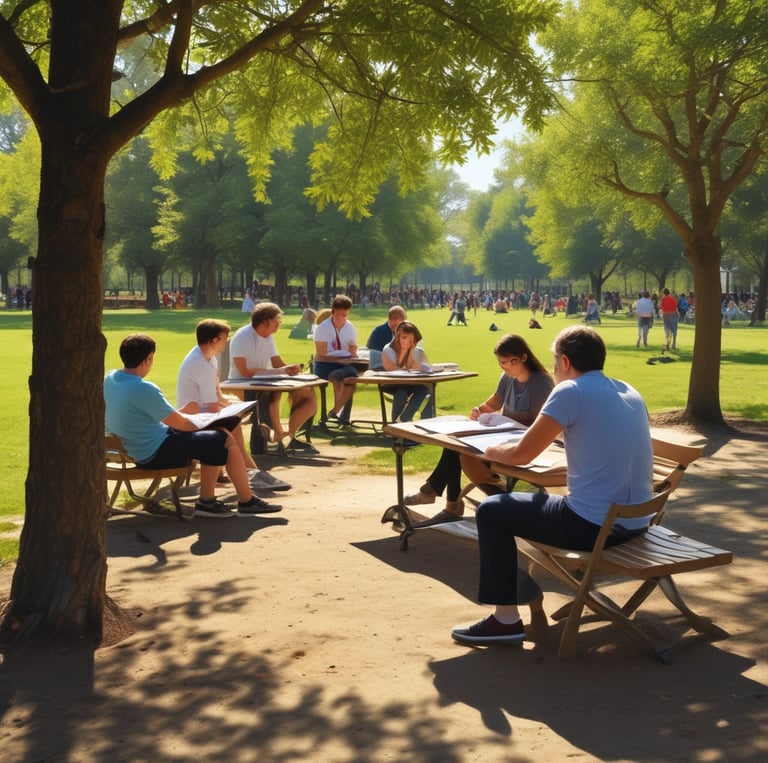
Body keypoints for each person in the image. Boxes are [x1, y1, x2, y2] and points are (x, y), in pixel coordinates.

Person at [451, 325, 653, 645]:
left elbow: (522, 453)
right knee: (518, 505)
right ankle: (518, 595)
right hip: (637, 522)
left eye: (555, 361)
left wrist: (487, 451)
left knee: (491, 510)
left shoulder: (570, 390)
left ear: (566, 361)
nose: (554, 369)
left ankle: (505, 618)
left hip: (593, 527)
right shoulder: (628, 390)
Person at [105, 334, 282, 518]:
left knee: (222, 431)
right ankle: (213, 501)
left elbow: (151, 417)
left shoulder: (111, 378)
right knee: (220, 438)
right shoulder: (143, 388)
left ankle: (242, 499)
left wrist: (189, 414)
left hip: (136, 447)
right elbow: (183, 425)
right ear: (147, 359)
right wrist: (204, 421)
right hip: (153, 452)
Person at [404, 334, 554, 522]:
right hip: (501, 436)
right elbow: (494, 401)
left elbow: (542, 425)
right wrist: (480, 410)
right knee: (455, 443)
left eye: (509, 362)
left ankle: (441, 497)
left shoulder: (541, 382)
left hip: (522, 445)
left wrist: (503, 422)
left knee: (459, 451)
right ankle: (444, 500)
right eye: (501, 363)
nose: (505, 367)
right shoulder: (508, 378)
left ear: (524, 358)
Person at [177, 318, 292, 495]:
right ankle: (252, 473)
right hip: (194, 418)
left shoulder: (208, 358)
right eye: (224, 337)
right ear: (214, 340)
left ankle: (251, 472)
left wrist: (234, 405)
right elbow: (211, 406)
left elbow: (217, 395)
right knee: (232, 424)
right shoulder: (199, 363)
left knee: (234, 419)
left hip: (200, 413)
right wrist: (233, 411)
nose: (227, 341)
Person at [230, 302, 319, 454]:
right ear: (265, 322)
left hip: (266, 381)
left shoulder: (268, 336)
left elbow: (277, 362)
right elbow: (244, 372)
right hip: (242, 383)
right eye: (276, 321)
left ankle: (288, 435)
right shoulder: (242, 338)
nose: (279, 325)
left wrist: (291, 369)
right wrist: (278, 371)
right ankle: (276, 434)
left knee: (307, 395)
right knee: (273, 395)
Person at [313, 294, 359, 422]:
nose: (341, 318)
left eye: (344, 315)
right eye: (338, 315)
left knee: (350, 378)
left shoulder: (350, 327)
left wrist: (353, 351)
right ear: (333, 311)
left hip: (344, 365)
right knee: (337, 375)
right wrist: (338, 360)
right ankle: (337, 414)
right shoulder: (323, 328)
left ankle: (335, 411)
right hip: (325, 364)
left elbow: (353, 348)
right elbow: (321, 356)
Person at [381, 321, 435, 422]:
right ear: (397, 337)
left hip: (411, 382)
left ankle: (411, 419)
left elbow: (427, 368)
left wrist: (411, 352)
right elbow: (400, 368)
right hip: (393, 383)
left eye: (411, 339)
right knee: (402, 391)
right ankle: (396, 427)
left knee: (426, 389)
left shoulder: (418, 350)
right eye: (404, 338)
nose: (407, 342)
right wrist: (408, 353)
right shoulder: (388, 350)